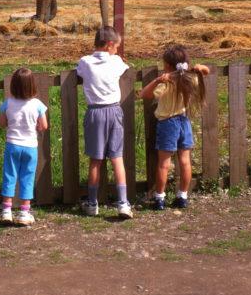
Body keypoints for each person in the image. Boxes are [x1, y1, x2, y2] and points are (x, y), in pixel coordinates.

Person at [139, 45, 209, 210]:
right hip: (184, 122)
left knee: (164, 163)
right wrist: (200, 67)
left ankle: (159, 198)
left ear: (169, 66)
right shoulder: (190, 78)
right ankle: (182, 196)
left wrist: (157, 80)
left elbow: (144, 94)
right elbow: (205, 71)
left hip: (167, 124)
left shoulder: (167, 82)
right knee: (185, 161)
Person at [76, 26, 132, 219]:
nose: (117, 50)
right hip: (114, 110)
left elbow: (80, 72)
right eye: (116, 46)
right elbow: (125, 66)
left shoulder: (85, 62)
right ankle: (123, 203)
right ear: (109, 45)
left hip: (95, 113)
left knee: (95, 160)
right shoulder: (116, 61)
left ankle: (92, 203)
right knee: (117, 158)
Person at [0, 68, 48, 226]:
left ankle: (6, 211)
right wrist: (37, 128)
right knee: (27, 177)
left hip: (12, 145)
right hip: (30, 146)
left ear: (13, 85)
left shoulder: (8, 103)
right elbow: (44, 126)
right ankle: (24, 213)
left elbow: (2, 123)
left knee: (9, 175)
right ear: (33, 85)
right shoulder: (38, 104)